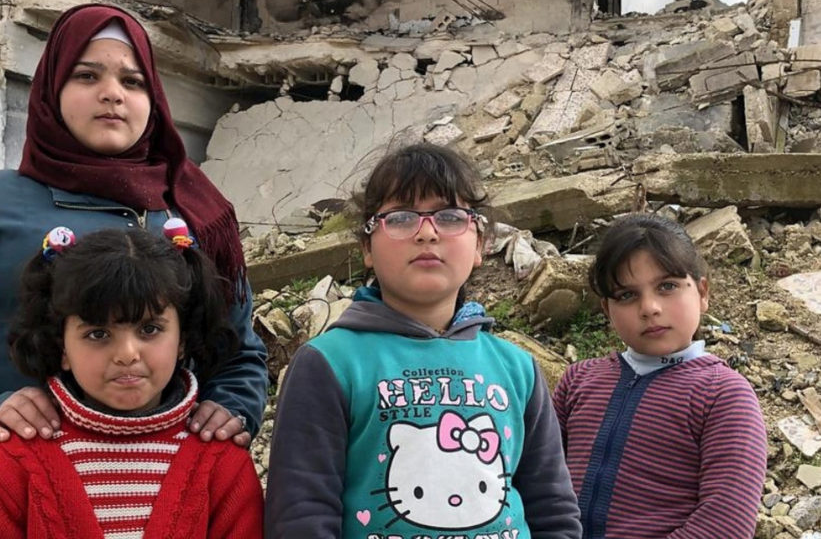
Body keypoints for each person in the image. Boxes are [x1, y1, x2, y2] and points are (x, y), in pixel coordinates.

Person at [0, 4, 267, 538]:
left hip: (167, 498)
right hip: (11, 499)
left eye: (132, 81)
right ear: (51, 88)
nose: (113, 93)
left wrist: (229, 409)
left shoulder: (195, 213)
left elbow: (240, 354)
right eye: (87, 75)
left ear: (153, 99)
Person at [265, 143, 581, 538]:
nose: (427, 232)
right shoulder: (329, 363)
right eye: (400, 218)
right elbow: (302, 513)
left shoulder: (517, 368)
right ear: (366, 246)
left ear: (481, 243)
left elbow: (552, 505)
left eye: (450, 216)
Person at [0, 226, 264, 538]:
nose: (127, 354)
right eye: (98, 334)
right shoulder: (9, 467)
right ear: (62, 348)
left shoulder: (223, 465)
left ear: (182, 339)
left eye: (150, 329)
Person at [552, 213, 767, 539]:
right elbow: (536, 479)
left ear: (702, 292)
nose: (649, 307)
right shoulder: (578, 380)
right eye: (627, 295)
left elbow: (726, 523)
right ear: (608, 310)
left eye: (667, 286)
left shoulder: (722, 394)